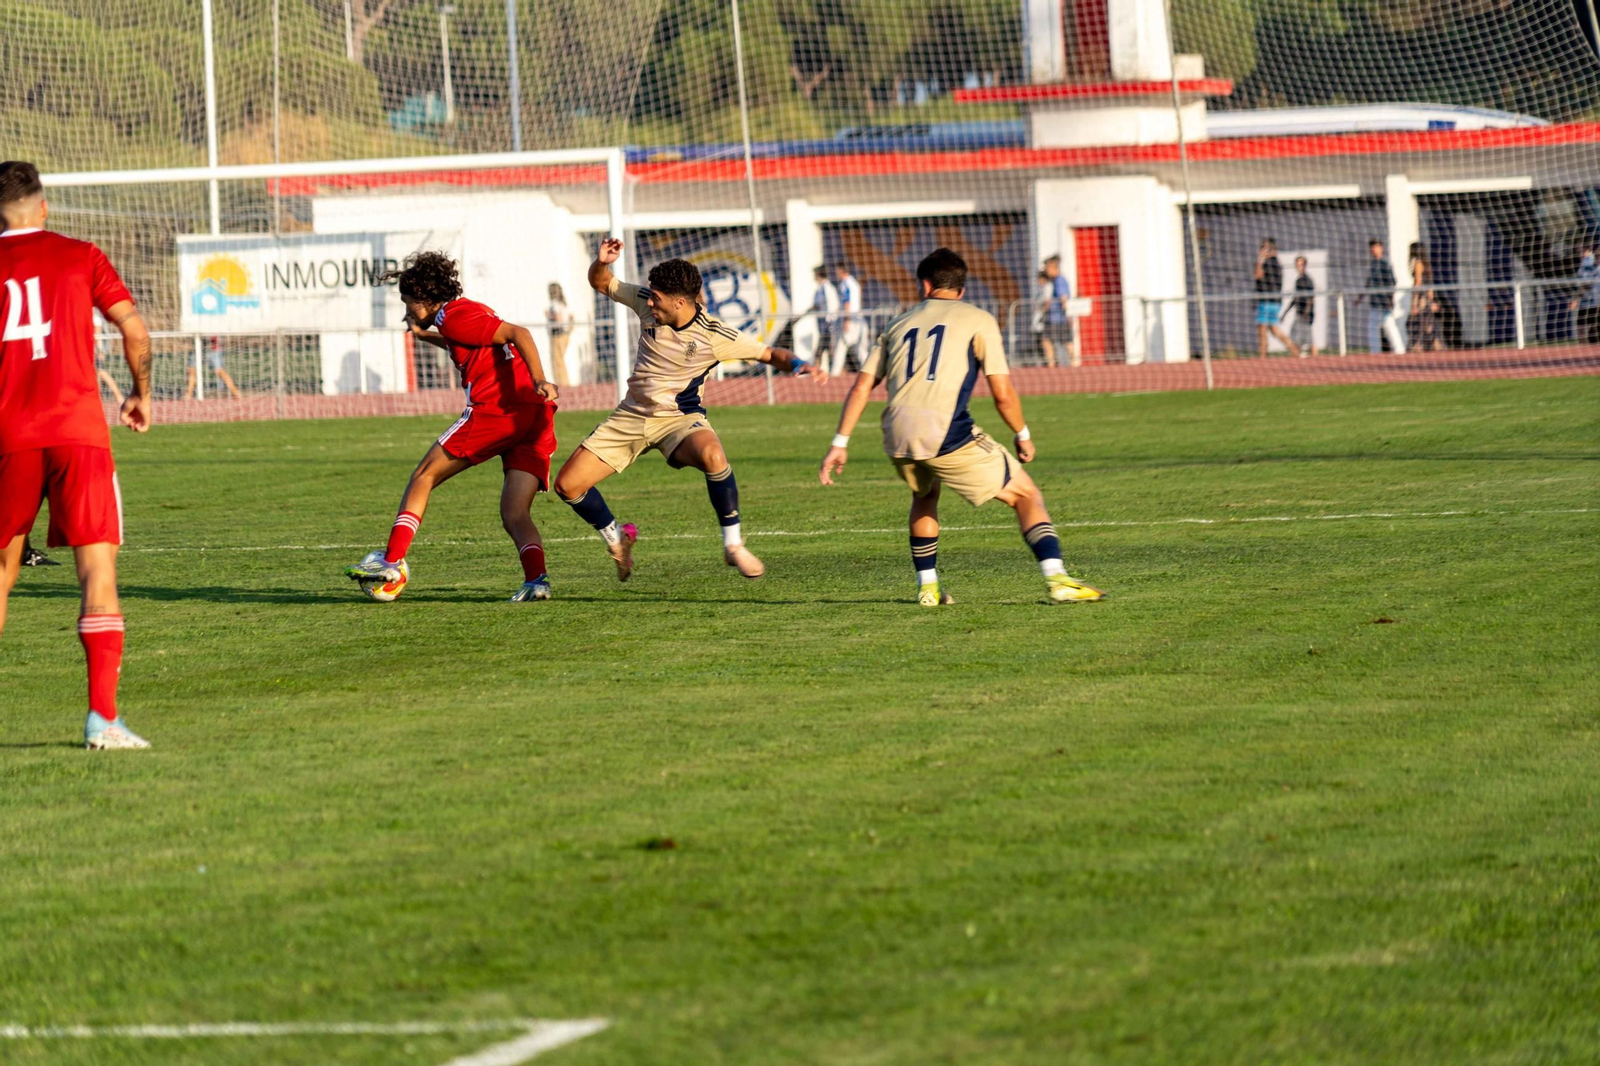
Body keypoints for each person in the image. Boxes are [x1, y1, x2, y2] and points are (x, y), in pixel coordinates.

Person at [818, 247, 1103, 607]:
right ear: (962, 288)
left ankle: (928, 588)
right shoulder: (978, 319)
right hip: (944, 432)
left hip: (896, 433)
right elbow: (1002, 392)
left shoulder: (897, 323)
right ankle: (1058, 579)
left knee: (924, 495)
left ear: (924, 285)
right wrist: (1022, 434)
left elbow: (861, 386)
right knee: (1026, 495)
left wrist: (839, 443)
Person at [552, 239, 826, 582]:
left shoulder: (714, 334)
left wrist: (801, 364)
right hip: (632, 416)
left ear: (680, 302)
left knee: (713, 455)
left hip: (679, 421)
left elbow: (770, 354)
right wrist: (601, 262)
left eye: (658, 298)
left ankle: (734, 545)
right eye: (650, 295)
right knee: (567, 486)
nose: (650, 301)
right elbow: (601, 282)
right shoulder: (645, 304)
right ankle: (617, 537)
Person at [0, 160, 155, 749]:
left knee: (1, 573)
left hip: (8, 436)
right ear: (42, 207)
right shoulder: (80, 253)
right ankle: (102, 720)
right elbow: (135, 331)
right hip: (78, 434)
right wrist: (140, 394)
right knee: (97, 571)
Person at [344, 252, 560, 602]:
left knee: (423, 476)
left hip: (497, 412)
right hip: (533, 418)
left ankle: (391, 561)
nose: (407, 308)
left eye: (407, 301)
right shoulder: (463, 314)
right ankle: (537, 581)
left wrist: (540, 378)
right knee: (514, 512)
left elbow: (518, 333)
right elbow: (471, 340)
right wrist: (423, 336)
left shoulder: (455, 315)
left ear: (424, 297)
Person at [1254, 238, 1299, 358]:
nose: (1261, 250)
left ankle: (1262, 356)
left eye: (1263, 247)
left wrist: (1260, 259)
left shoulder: (1267, 262)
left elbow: (1258, 276)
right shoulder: (1278, 263)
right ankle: (1294, 349)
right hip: (1275, 302)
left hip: (1266, 301)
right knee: (1274, 329)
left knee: (1262, 330)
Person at [1363, 239, 1406, 353]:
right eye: (1372, 248)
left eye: (1376, 247)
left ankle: (1399, 350)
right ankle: (1376, 351)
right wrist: (1360, 297)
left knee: (1389, 326)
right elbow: (1368, 283)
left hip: (1384, 302)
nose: (1374, 250)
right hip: (1374, 302)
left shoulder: (1385, 264)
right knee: (1374, 327)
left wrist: (1390, 299)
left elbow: (1391, 282)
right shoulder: (1372, 264)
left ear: (1381, 248)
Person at [830, 264, 869, 376]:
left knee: (841, 347)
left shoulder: (845, 283)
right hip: (859, 319)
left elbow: (847, 302)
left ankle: (834, 375)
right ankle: (871, 373)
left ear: (841, 270)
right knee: (861, 350)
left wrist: (846, 320)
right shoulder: (854, 283)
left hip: (850, 319)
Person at [1041, 255, 1078, 367]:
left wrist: (1068, 314)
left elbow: (1064, 298)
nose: (1046, 271)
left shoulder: (1059, 280)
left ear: (1053, 268)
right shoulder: (1056, 281)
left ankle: (1052, 362)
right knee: (1066, 341)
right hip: (1058, 317)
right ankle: (1073, 362)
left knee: (1046, 339)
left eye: (1047, 268)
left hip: (1056, 318)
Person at [183, 335, 243, 400]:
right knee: (191, 370)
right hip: (197, 348)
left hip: (213, 349)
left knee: (219, 371)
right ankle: (188, 394)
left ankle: (236, 392)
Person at [1408, 242, 1440, 352]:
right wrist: (1431, 300)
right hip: (1426, 296)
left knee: (1419, 322)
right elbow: (1429, 284)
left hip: (1421, 296)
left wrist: (1414, 302)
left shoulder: (1417, 263)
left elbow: (1418, 282)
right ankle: (1436, 344)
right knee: (1428, 322)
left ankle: (1418, 345)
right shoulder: (1427, 264)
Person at [1287, 256, 1317, 357]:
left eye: (1301, 264)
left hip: (1305, 315)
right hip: (1300, 313)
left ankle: (1315, 359)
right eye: (1297, 265)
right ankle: (1301, 357)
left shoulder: (1307, 280)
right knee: (1297, 338)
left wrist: (1306, 312)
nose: (1298, 267)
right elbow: (1295, 299)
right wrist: (1285, 312)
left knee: (1308, 340)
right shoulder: (1298, 280)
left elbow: (1310, 298)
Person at [545, 282, 573, 387]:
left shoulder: (554, 304)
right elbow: (570, 316)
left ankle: (562, 384)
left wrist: (549, 315)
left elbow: (558, 318)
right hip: (565, 334)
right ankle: (564, 382)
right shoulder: (563, 304)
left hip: (558, 334)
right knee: (560, 359)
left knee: (557, 360)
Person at [1570, 243, 1599, 344]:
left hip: (1596, 302)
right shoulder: (1586, 263)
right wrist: (1576, 298)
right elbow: (1582, 282)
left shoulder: (1591, 263)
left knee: (1593, 332)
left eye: (1581, 251)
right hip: (1586, 301)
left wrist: (1575, 298)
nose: (1579, 253)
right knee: (1581, 330)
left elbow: (1587, 283)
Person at [810, 265, 838, 365]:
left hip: (828, 325)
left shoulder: (827, 288)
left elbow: (832, 304)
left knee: (824, 350)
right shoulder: (820, 289)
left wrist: (829, 320)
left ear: (818, 274)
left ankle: (820, 372)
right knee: (825, 350)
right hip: (823, 325)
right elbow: (816, 306)